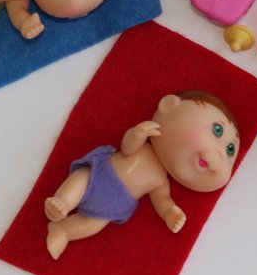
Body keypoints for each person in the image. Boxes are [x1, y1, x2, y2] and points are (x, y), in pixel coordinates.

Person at [44, 91, 239, 259]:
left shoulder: (160, 180)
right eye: (217, 130)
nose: (221, 152)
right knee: (80, 180)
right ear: (169, 106)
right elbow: (127, 148)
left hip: (113, 205)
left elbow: (162, 199)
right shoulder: (144, 148)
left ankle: (63, 230)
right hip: (101, 174)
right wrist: (137, 134)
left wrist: (170, 213)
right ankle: (61, 202)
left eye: (230, 150)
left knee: (94, 224)